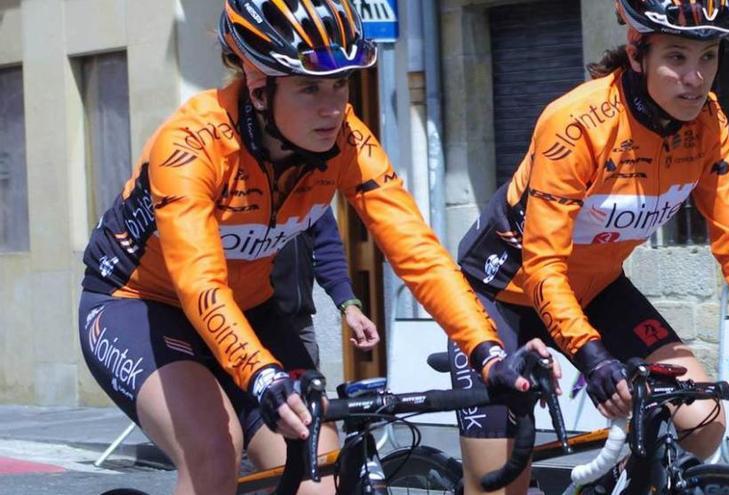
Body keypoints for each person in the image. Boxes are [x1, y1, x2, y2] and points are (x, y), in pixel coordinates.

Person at [77, 1, 558, 494]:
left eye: (340, 84)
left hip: (252, 310)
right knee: (213, 450)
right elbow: (199, 282)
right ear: (259, 86)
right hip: (138, 306)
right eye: (309, 87)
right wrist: (261, 375)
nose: (332, 108)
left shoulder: (347, 140)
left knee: (321, 472)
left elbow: (417, 251)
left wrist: (488, 352)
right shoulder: (191, 144)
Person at [451, 1, 729, 493]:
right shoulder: (577, 123)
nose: (696, 77)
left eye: (709, 56)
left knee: (703, 420)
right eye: (677, 57)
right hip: (500, 296)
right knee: (499, 484)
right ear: (637, 53)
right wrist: (592, 357)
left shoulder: (707, 126)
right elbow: (544, 265)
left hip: (596, 290)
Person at [268, 207, 379, 493]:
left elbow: (326, 244)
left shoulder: (310, 182)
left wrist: (348, 304)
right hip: (240, 322)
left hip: (296, 325)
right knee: (254, 436)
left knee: (310, 429)